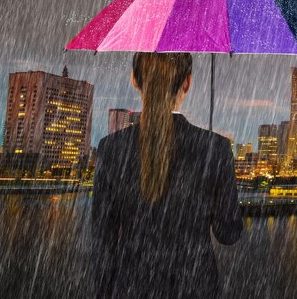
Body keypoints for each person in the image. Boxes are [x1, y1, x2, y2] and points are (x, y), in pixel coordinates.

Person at [91, 52, 243, 298]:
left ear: (135, 80)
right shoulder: (215, 148)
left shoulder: (111, 149)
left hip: (131, 289)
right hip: (196, 288)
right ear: (187, 82)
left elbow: (103, 243)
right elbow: (228, 233)